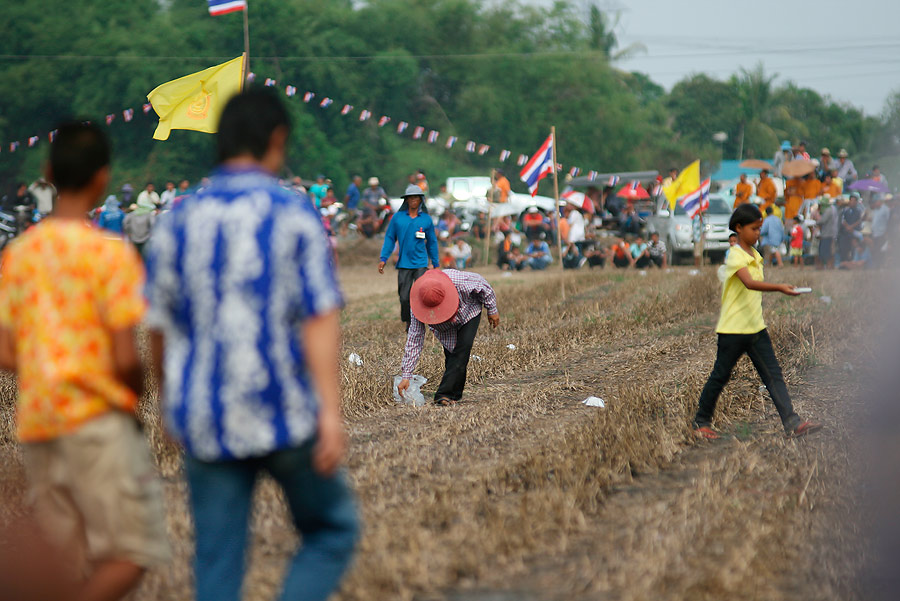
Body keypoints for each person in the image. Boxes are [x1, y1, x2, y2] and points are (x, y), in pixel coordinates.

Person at [144, 88, 358, 601]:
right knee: (333, 531)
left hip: (205, 413)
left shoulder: (176, 221)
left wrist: (171, 400)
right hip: (282, 406)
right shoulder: (293, 212)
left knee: (217, 563)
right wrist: (330, 410)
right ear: (277, 139)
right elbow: (319, 317)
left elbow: (157, 327)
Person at [0, 122, 170, 600]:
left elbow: (5, 348)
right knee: (130, 553)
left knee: (66, 558)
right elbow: (123, 355)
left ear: (48, 174)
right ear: (103, 179)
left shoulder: (19, 254)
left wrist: (46, 369)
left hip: (38, 423)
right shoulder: (108, 256)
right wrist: (139, 389)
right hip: (98, 419)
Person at [692, 203, 822, 440]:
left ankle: (793, 423)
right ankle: (701, 422)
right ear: (739, 228)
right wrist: (780, 287)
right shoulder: (736, 255)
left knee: (773, 376)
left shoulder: (756, 255)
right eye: (753, 228)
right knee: (720, 376)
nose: (757, 233)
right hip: (733, 330)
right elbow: (749, 283)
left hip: (755, 328)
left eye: (759, 228)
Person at [397, 269, 499, 406]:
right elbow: (414, 338)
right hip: (443, 326)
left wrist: (492, 310)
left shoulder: (460, 281)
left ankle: (443, 395)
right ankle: (454, 395)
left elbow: (484, 286)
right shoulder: (417, 303)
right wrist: (406, 375)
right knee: (452, 356)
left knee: (463, 349)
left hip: (468, 312)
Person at [379, 184, 440, 330]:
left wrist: (436, 262)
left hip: (421, 263)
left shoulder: (426, 219)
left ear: (421, 200)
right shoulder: (397, 218)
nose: (413, 200)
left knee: (422, 296)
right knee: (404, 297)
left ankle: (421, 323)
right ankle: (408, 321)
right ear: (406, 200)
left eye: (416, 198)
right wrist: (383, 258)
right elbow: (389, 238)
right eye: (410, 198)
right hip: (404, 263)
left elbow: (432, 242)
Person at [838, 193, 863, 262]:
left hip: (854, 232)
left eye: (854, 201)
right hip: (845, 233)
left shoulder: (858, 211)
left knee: (853, 248)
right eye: (851, 200)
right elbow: (843, 220)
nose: (852, 202)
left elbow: (859, 220)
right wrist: (847, 227)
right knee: (843, 248)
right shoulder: (845, 210)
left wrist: (851, 227)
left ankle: (852, 261)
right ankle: (844, 262)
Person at [815, 198, 838, 269]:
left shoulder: (828, 210)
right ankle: (830, 265)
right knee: (830, 250)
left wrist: (816, 221)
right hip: (832, 233)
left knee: (825, 251)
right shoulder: (833, 208)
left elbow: (822, 220)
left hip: (827, 233)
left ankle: (827, 265)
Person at [870, 196, 891, 266]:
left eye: (875, 202)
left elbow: (889, 221)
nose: (875, 204)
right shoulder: (875, 210)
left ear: (879, 202)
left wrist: (887, 232)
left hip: (882, 233)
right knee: (875, 249)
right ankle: (877, 264)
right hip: (875, 233)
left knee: (881, 249)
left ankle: (881, 264)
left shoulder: (886, 209)